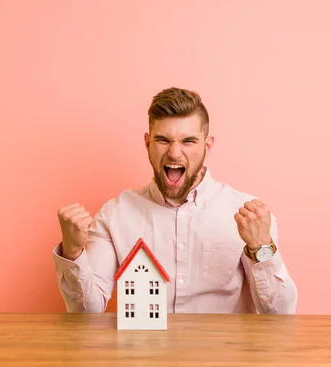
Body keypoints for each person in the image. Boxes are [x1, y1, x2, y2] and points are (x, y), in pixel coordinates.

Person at [52, 87, 297, 314]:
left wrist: (261, 249)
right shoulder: (116, 214)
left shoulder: (247, 215)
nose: (174, 152)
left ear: (207, 146)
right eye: (163, 140)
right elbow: (86, 313)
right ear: (148, 143)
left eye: (188, 141)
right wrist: (73, 252)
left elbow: (280, 315)